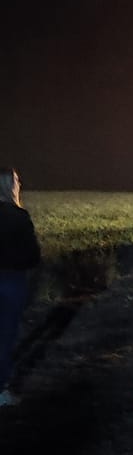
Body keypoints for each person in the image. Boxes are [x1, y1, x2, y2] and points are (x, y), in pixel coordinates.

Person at [0, 168, 41, 408]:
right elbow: (33, 255)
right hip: (12, 281)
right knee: (5, 337)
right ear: (11, 186)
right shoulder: (19, 216)